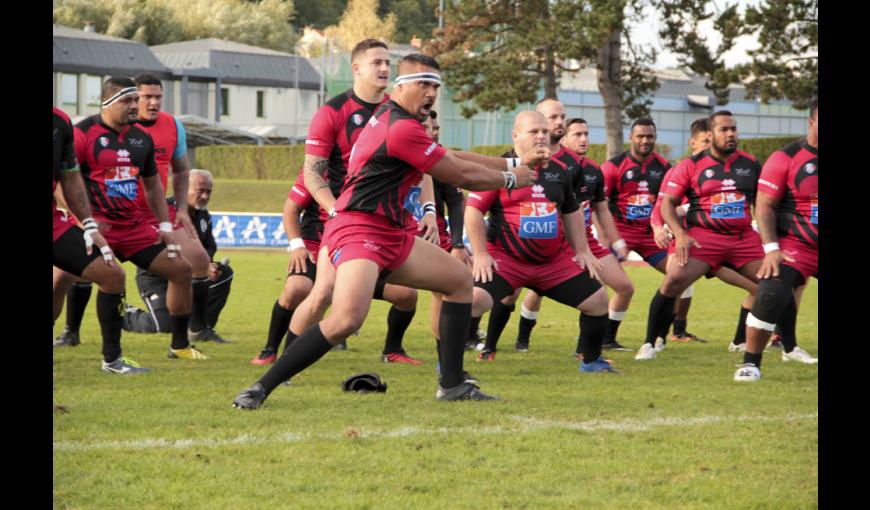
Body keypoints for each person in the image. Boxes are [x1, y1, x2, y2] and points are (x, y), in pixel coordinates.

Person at [232, 52, 544, 409]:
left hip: (389, 232)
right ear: (402, 86)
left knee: (458, 281)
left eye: (436, 86)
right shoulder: (400, 127)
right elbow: (459, 175)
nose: (431, 93)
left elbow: (453, 156)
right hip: (359, 228)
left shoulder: (395, 118)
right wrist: (511, 178)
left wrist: (516, 161)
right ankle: (260, 387)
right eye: (424, 84)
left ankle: (453, 384)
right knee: (346, 318)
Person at [248, 39, 422, 367]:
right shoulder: (332, 112)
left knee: (407, 294)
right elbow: (311, 173)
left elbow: (423, 166)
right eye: (377, 62)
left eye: (388, 62)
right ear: (356, 68)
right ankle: (279, 356)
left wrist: (427, 209)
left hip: (380, 226)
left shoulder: (399, 112)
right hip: (338, 225)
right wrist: (332, 213)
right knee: (313, 291)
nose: (385, 68)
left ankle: (394, 350)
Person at [54, 73, 214, 348]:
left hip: (134, 227)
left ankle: (181, 345)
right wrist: (83, 221)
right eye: (130, 100)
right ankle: (70, 332)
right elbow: (63, 181)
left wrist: (165, 226)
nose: (137, 106)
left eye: (138, 100)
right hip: (96, 225)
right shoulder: (81, 133)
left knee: (181, 269)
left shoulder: (142, 138)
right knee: (60, 279)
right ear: (108, 102)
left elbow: (153, 187)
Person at [466, 109, 616, 374]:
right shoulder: (498, 168)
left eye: (545, 132)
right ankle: (450, 366)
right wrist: (480, 254)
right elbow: (474, 210)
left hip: (552, 264)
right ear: (516, 135)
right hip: (507, 260)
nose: (541, 137)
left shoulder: (561, 170)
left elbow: (571, 210)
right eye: (533, 132)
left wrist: (581, 250)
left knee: (598, 301)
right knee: (472, 300)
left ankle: (591, 362)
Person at [504, 106, 636, 356]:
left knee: (621, 287)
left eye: (586, 134)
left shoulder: (590, 169)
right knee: (518, 293)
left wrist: (614, 241)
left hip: (581, 239)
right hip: (547, 240)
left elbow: (594, 209)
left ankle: (595, 346)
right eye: (578, 134)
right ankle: (511, 340)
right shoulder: (534, 162)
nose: (584, 139)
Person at [640, 110, 765, 361]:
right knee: (674, 279)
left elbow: (764, 203)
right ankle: (651, 342)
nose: (730, 134)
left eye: (733, 129)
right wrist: (678, 234)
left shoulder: (750, 164)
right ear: (709, 135)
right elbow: (665, 205)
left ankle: (775, 345)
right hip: (703, 239)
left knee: (775, 284)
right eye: (723, 130)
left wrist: (768, 238)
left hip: (742, 240)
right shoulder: (688, 166)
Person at [53, 106, 147, 374]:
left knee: (112, 274)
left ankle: (112, 360)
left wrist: (88, 223)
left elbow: (70, 177)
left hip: (54, 224)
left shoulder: (60, 122)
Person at [735, 98, 819, 381]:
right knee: (771, 292)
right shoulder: (785, 158)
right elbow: (765, 205)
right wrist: (771, 249)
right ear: (811, 122)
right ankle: (751, 363)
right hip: (797, 244)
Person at [122, 170, 234, 341]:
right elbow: (158, 249)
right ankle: (124, 314)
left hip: (189, 276)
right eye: (200, 190)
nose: (205, 196)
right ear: (183, 189)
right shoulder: (162, 211)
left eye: (208, 191)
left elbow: (209, 246)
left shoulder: (204, 216)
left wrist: (208, 264)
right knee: (165, 326)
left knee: (224, 273)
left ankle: (201, 327)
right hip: (156, 277)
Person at [600, 118, 677, 353]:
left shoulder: (665, 168)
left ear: (655, 138)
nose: (645, 140)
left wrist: (665, 228)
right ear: (631, 138)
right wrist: (609, 238)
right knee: (615, 286)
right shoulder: (613, 166)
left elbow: (671, 203)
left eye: (650, 136)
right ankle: (607, 338)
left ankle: (660, 337)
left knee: (679, 277)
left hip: (651, 236)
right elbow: (599, 206)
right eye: (640, 136)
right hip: (620, 233)